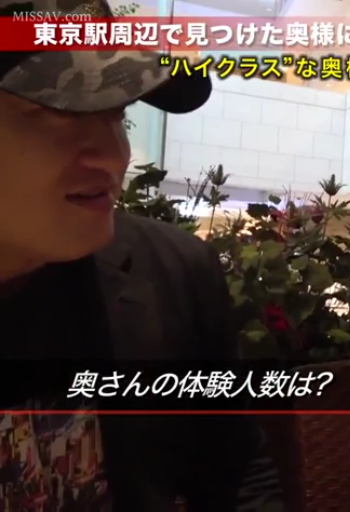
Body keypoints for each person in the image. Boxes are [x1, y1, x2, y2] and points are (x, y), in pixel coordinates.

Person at [0, 1, 278, 510]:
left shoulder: (176, 274)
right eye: (59, 113)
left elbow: (237, 475)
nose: (113, 156)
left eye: (118, 115)